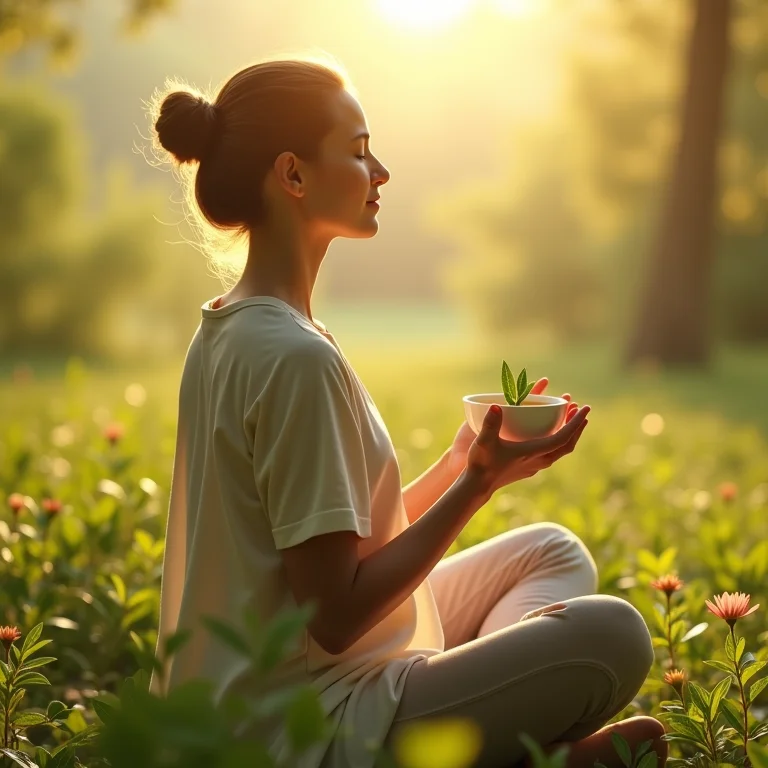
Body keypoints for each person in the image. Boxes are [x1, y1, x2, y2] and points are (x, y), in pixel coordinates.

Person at [147, 55, 668, 768]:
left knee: (549, 551)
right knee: (615, 637)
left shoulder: (234, 329)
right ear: (293, 175)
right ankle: (525, 755)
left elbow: (333, 550)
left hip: (283, 689)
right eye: (360, 153)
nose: (381, 172)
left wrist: (461, 462)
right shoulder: (294, 358)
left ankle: (500, 736)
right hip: (304, 730)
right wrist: (475, 487)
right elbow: (333, 617)